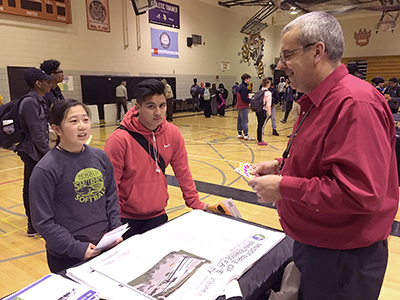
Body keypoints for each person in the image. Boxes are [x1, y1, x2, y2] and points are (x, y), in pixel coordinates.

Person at [248, 12, 398, 300]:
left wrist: (282, 187)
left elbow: (361, 193)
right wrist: (282, 165)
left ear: (317, 52)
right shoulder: (321, 99)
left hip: (342, 258)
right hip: (320, 245)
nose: (281, 65)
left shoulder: (355, 104)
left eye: (287, 55)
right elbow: (323, 158)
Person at [104, 79, 209, 239]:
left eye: (162, 105)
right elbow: (111, 186)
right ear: (137, 107)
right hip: (125, 219)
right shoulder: (118, 140)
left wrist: (195, 203)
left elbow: (183, 171)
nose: (158, 112)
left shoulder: (173, 133)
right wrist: (114, 223)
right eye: (151, 106)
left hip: (158, 214)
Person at [30, 99, 122, 273]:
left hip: (105, 247)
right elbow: (43, 222)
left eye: (85, 120)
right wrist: (75, 248)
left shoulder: (100, 157)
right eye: (74, 121)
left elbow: (111, 197)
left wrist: (115, 230)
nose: (82, 126)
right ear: (56, 129)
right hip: (68, 257)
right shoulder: (45, 169)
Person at [16, 68, 54, 237]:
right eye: (46, 81)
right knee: (32, 188)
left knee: (36, 187)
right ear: (38, 83)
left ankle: (37, 222)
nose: (49, 83)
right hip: (32, 152)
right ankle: (33, 225)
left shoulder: (40, 100)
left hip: (37, 150)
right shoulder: (30, 102)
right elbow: (36, 132)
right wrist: (48, 153)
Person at [236, 73, 255, 141]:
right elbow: (244, 98)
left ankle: (240, 133)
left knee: (240, 120)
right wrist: (251, 100)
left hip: (239, 106)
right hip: (243, 106)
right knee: (244, 121)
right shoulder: (244, 88)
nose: (249, 80)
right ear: (246, 79)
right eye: (249, 79)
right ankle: (246, 134)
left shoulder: (240, 86)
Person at [256, 78, 272, 146]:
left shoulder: (260, 91)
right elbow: (268, 104)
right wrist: (269, 113)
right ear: (267, 84)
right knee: (262, 126)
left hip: (258, 110)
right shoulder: (268, 93)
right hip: (263, 110)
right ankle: (260, 140)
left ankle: (259, 139)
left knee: (259, 125)